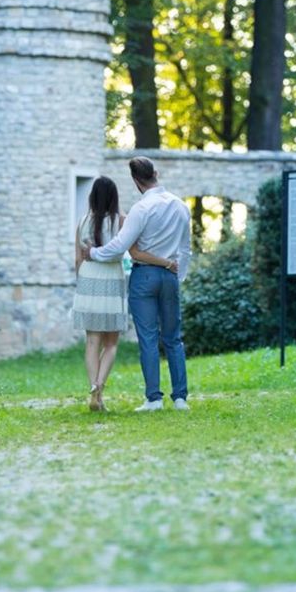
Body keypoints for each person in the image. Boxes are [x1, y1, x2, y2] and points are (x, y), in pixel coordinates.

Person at [88, 157, 192, 412]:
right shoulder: (180, 206)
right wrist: (177, 278)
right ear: (156, 173)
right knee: (173, 339)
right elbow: (186, 250)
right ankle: (180, 398)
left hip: (144, 276)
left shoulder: (141, 208)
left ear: (136, 181)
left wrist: (93, 254)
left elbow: (119, 246)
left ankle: (154, 399)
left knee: (148, 338)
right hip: (169, 275)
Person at [73, 176, 175, 412]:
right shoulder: (121, 220)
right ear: (114, 197)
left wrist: (84, 282)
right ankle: (99, 388)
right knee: (111, 343)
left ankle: (92, 388)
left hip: (88, 280)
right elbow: (132, 251)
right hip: (111, 279)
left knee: (92, 341)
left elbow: (78, 259)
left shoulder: (82, 222)